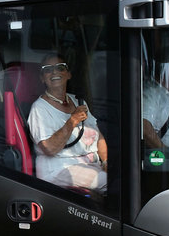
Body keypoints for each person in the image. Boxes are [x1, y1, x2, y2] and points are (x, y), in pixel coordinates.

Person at [27, 54, 108, 192]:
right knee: (112, 183)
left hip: (90, 165)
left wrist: (106, 161)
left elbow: (98, 136)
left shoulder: (77, 101)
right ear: (42, 78)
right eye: (48, 69)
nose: (54, 72)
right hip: (59, 169)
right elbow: (49, 148)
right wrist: (72, 121)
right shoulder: (39, 108)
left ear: (68, 74)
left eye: (60, 67)